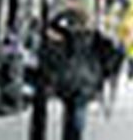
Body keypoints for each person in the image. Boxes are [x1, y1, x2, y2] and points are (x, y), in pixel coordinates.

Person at [43, 10, 103, 140]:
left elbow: (52, 25)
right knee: (76, 115)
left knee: (71, 115)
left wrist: (63, 14)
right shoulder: (93, 37)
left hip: (71, 81)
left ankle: (71, 136)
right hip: (84, 82)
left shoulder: (70, 36)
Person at [95, 33, 124, 119]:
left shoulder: (100, 46)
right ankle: (108, 106)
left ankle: (105, 107)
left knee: (102, 90)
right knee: (111, 89)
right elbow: (120, 57)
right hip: (111, 71)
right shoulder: (114, 48)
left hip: (105, 71)